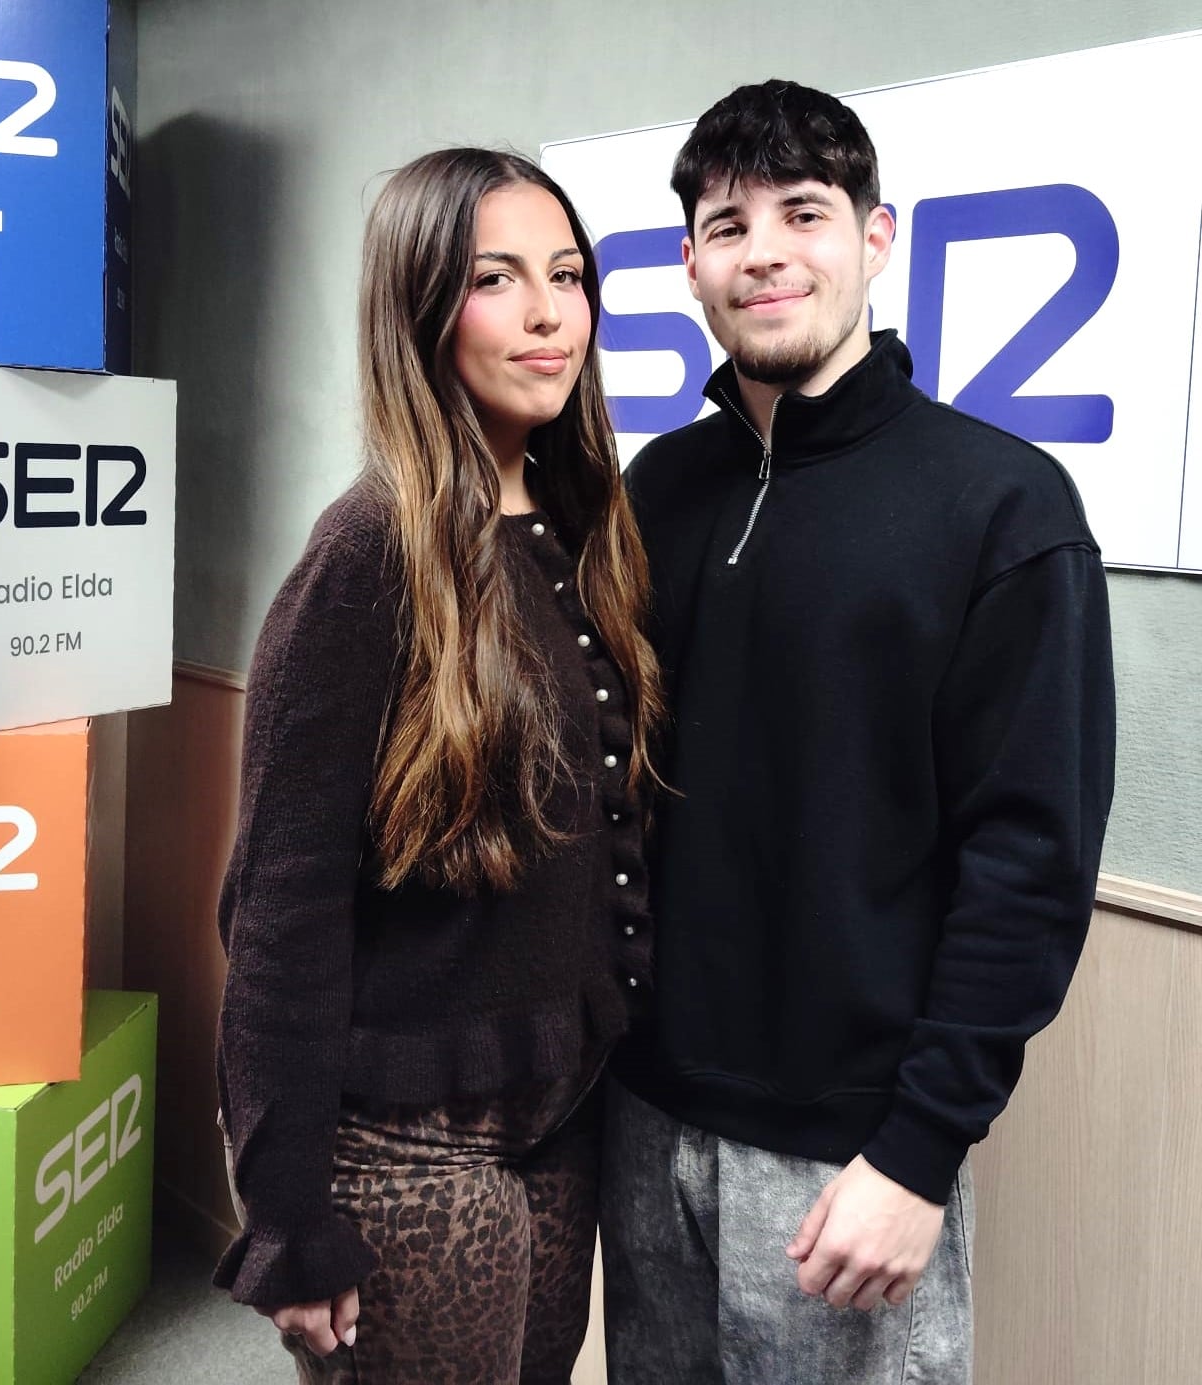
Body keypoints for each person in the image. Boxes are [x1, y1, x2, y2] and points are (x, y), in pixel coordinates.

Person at [602, 80, 1116, 1383]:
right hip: (646, 1119)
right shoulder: (659, 489)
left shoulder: (1002, 507)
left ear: (876, 238)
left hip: (851, 1155)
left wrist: (920, 1148)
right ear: (691, 267)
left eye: (804, 212)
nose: (764, 249)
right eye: (728, 224)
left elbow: (1030, 860)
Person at [213, 146, 662, 1384]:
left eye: (567, 276)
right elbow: (280, 905)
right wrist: (288, 1212)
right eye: (496, 278)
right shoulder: (369, 555)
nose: (546, 312)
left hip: (558, 1118)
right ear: (419, 307)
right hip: (404, 1145)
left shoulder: (584, 532)